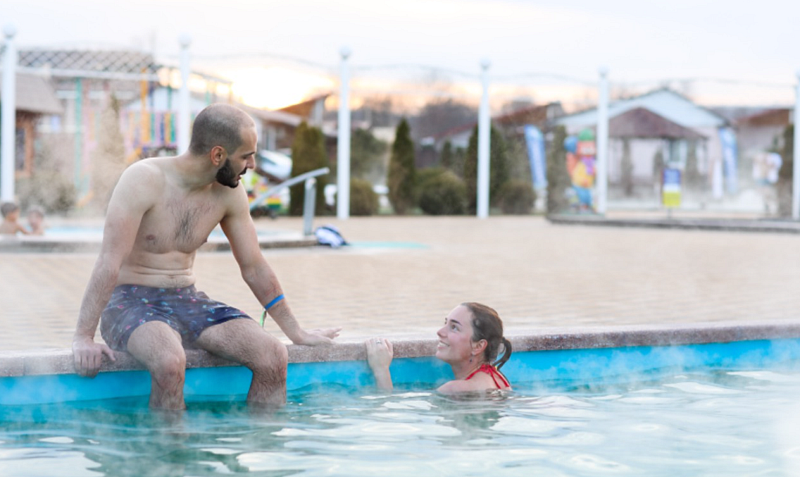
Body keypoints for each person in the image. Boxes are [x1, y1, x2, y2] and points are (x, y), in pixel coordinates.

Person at [72, 103, 340, 410]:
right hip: (129, 302)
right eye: (246, 156)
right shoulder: (143, 180)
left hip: (187, 299)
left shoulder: (229, 193)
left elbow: (254, 267)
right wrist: (83, 336)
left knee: (273, 356)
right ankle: (168, 442)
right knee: (170, 362)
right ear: (217, 155)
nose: (252, 164)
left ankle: (262, 437)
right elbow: (109, 262)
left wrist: (296, 331)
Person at [366, 302, 512, 393]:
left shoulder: (455, 389)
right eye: (445, 323)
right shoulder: (499, 380)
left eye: (454, 327)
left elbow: (390, 415)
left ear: (478, 346)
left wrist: (381, 370)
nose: (440, 332)